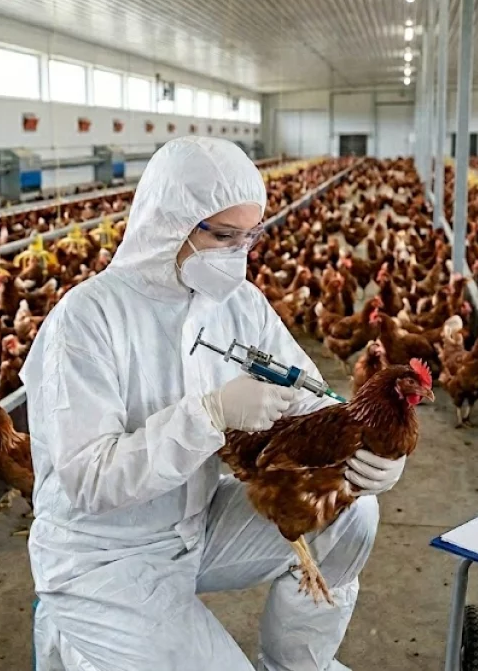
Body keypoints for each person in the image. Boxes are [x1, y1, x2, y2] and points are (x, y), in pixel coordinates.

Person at [22, 136, 407, 671]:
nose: (238, 254)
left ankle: (297, 665)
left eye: (250, 236)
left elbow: (309, 397)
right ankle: (76, 633)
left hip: (195, 525)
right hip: (105, 552)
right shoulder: (87, 320)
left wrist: (370, 446)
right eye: (225, 236)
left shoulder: (238, 304)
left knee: (353, 510)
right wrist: (209, 416)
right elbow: (90, 481)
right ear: (170, 223)